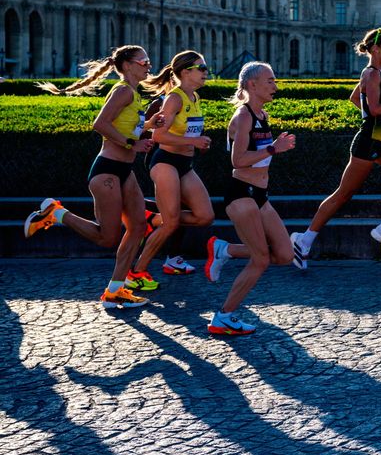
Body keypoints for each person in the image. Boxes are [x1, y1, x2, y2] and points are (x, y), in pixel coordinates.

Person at [25, 46, 160, 308]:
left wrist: (149, 127)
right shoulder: (122, 91)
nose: (148, 65)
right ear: (128, 65)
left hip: (124, 171)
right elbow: (100, 124)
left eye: (148, 61)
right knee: (107, 237)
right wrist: (133, 145)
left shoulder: (133, 93)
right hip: (107, 170)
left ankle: (115, 290)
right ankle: (56, 213)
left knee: (138, 227)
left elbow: (126, 128)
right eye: (144, 61)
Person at [290, 28, 381, 267]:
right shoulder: (372, 75)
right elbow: (372, 110)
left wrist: (376, 114)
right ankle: (304, 240)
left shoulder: (375, 74)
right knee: (342, 195)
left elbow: (355, 99)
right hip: (369, 143)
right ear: (375, 49)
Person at [204, 62, 297, 335]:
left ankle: (225, 250)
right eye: (270, 81)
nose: (275, 86)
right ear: (252, 84)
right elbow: (238, 161)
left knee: (284, 254)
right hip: (240, 194)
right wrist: (273, 148)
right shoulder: (243, 117)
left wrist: (273, 147)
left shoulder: (262, 114)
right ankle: (224, 317)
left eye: (274, 80)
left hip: (260, 195)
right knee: (260, 259)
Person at [130, 50, 215, 291]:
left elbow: (189, 132)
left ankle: (152, 218)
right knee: (171, 223)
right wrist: (194, 142)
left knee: (204, 216)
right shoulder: (174, 99)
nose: (206, 72)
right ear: (186, 72)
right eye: (202, 68)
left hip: (184, 164)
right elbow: (159, 135)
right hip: (165, 161)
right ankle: (136, 272)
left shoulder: (195, 97)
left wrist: (199, 142)